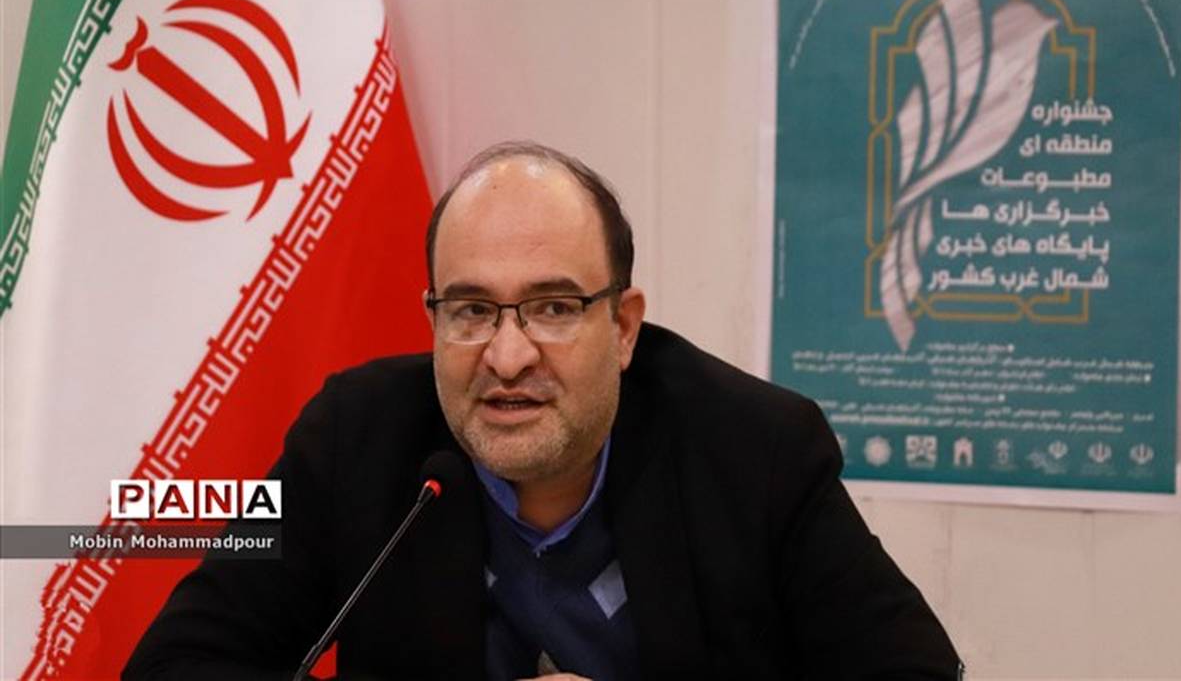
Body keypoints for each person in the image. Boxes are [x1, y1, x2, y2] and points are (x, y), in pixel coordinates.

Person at [124, 142, 961, 680]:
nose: (507, 355)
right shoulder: (355, 440)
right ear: (434, 320)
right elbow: (179, 663)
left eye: (554, 307)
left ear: (623, 327)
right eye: (471, 309)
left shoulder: (757, 450)